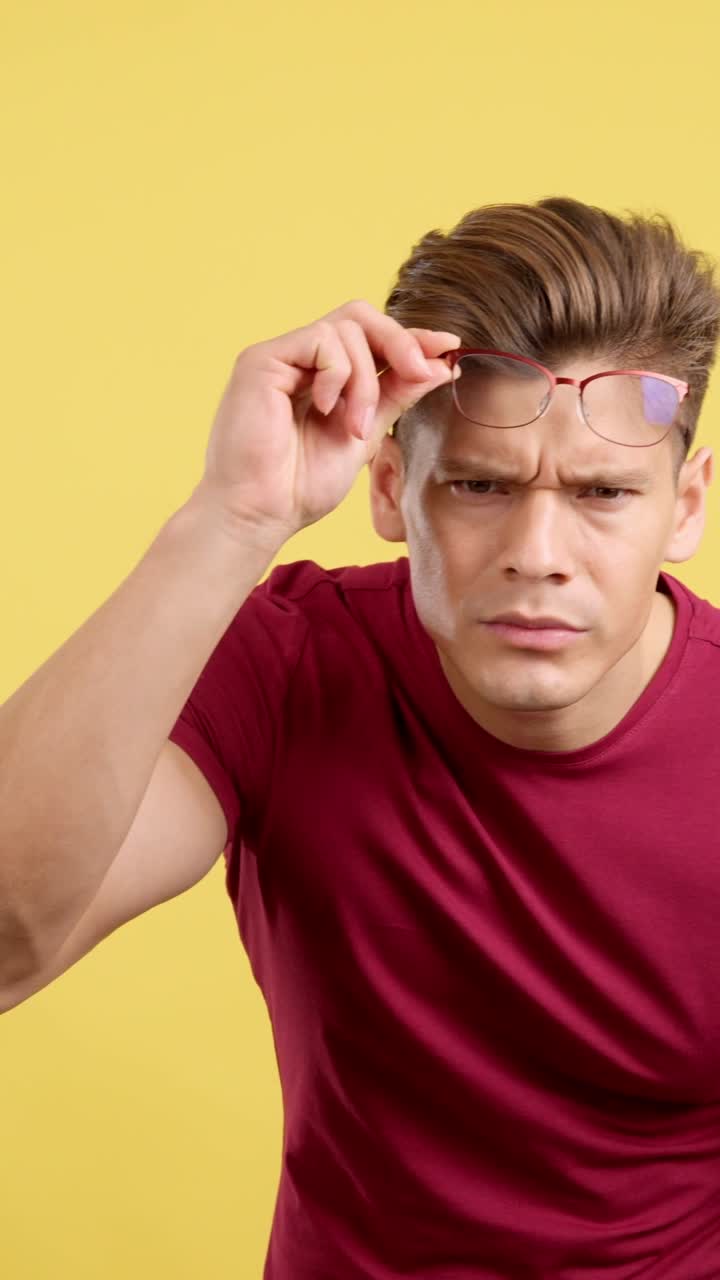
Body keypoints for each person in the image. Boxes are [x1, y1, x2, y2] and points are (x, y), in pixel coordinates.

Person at [2, 194, 720, 1278]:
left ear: (685, 504)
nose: (538, 551)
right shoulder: (287, 665)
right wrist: (229, 521)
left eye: (602, 492)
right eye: (480, 484)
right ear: (392, 489)